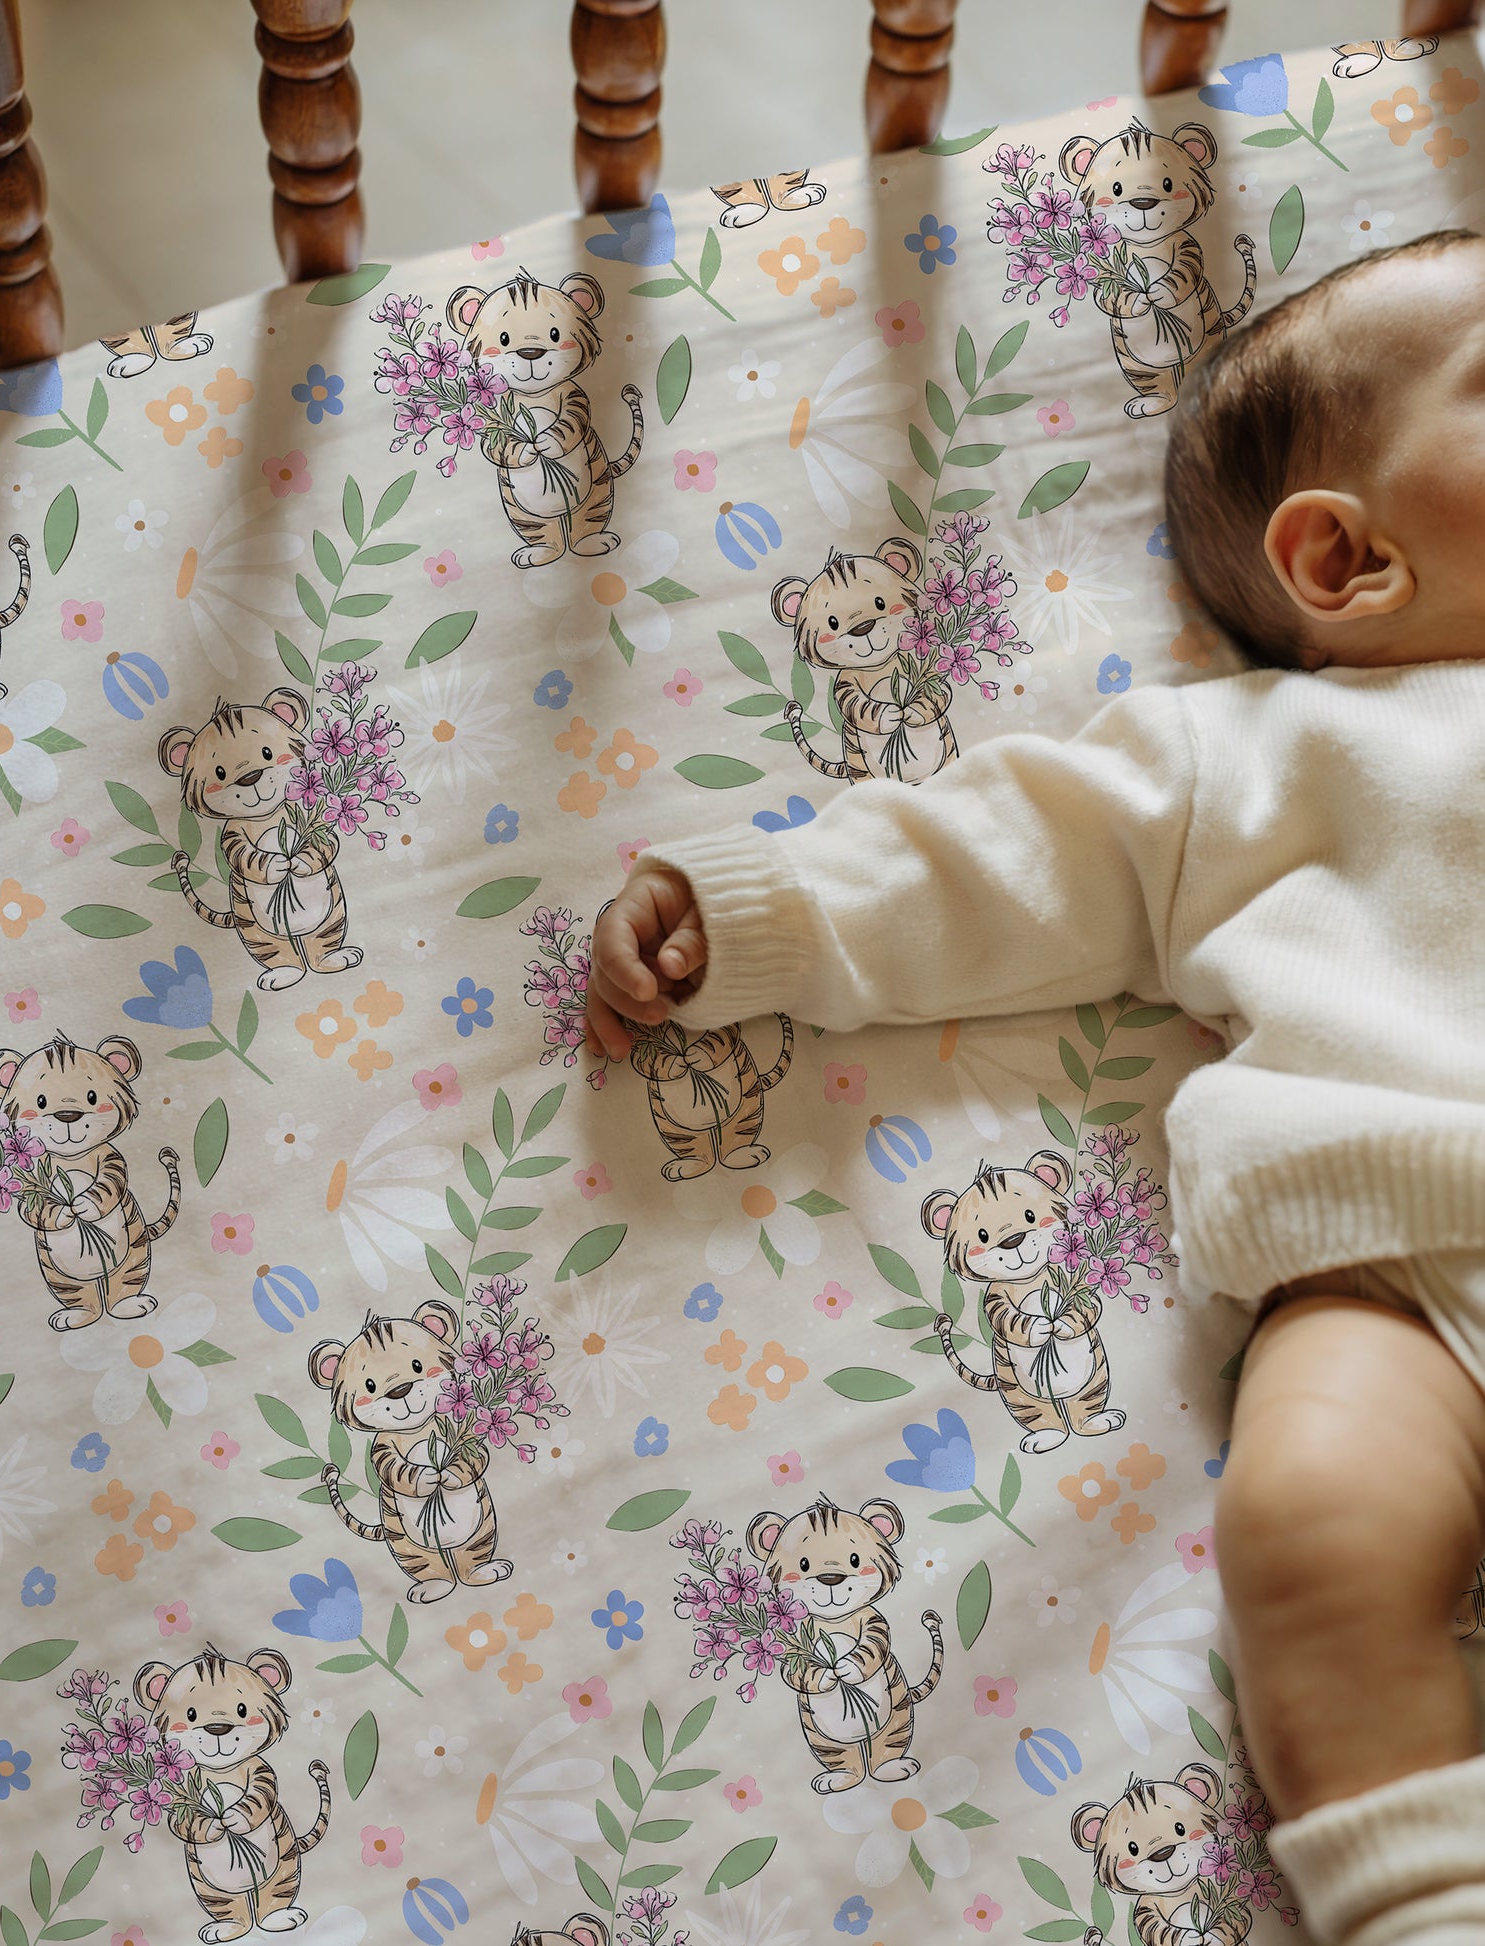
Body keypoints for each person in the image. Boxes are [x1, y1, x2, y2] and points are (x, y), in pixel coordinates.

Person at [589, 227, 1485, 1946]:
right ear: (1346, 559)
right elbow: (1004, 857)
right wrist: (757, 913)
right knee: (1308, 1528)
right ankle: (1424, 1904)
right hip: (1391, 1247)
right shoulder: (1251, 765)